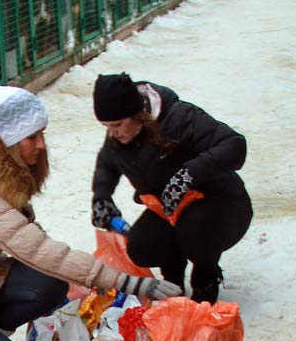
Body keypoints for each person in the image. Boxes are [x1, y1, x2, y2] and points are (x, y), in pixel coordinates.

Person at [0, 84, 182, 341]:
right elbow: (37, 250)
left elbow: (33, 240)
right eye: (32, 137)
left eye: (42, 134)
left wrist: (81, 277)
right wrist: (127, 282)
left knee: (51, 283)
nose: (41, 145)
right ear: (6, 141)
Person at [89, 72, 254, 304]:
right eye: (106, 126)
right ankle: (172, 284)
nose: (112, 132)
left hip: (223, 205)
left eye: (116, 124)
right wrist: (101, 197)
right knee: (141, 247)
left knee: (194, 232)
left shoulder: (179, 118)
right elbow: (107, 163)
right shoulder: (119, 137)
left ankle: (205, 281)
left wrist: (188, 174)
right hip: (170, 209)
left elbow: (234, 145)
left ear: (137, 115)